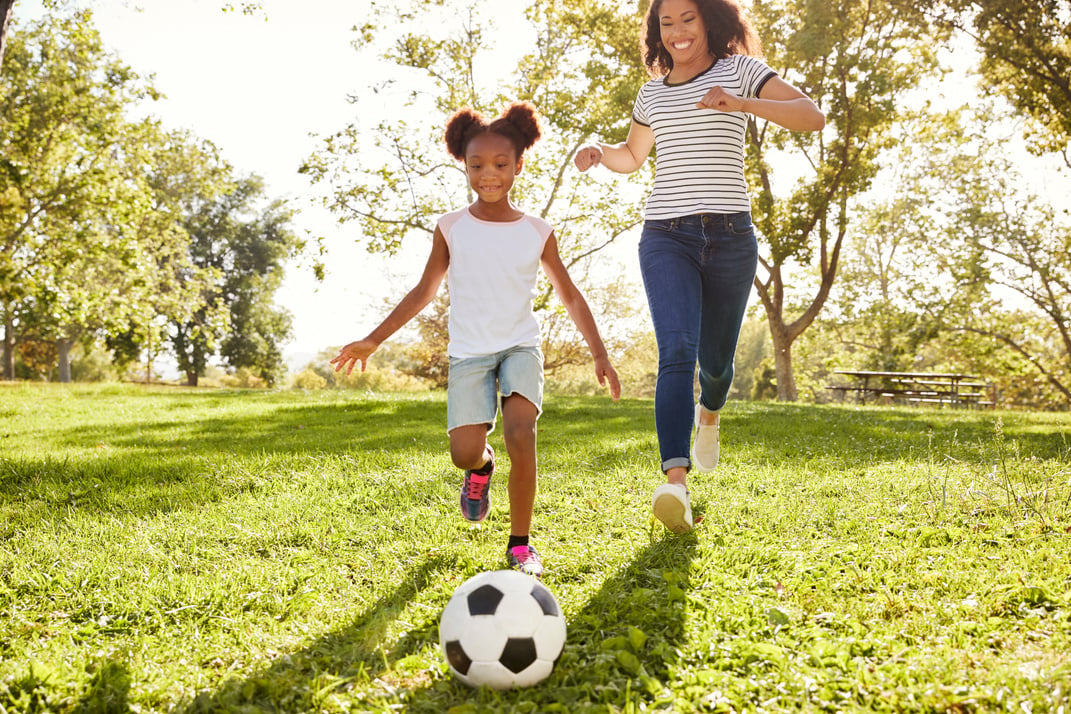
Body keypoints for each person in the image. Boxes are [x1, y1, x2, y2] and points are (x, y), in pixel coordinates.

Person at [332, 101, 621, 577]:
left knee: (520, 433)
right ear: (463, 165)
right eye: (478, 165)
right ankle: (480, 470)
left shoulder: (537, 231)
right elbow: (425, 290)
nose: (489, 174)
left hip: (519, 348)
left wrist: (600, 354)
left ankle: (521, 544)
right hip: (469, 353)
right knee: (463, 452)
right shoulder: (450, 227)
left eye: (501, 165)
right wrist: (373, 339)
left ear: (519, 165)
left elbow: (568, 295)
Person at [573, 0, 824, 534]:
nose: (678, 31)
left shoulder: (740, 71)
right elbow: (633, 155)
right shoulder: (652, 93)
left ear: (710, 20)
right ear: (656, 32)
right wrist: (600, 150)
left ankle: (710, 412)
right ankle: (675, 485)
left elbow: (811, 116)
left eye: (688, 19)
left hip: (731, 237)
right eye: (667, 22)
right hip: (666, 236)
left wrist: (741, 105)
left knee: (715, 365)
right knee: (677, 352)